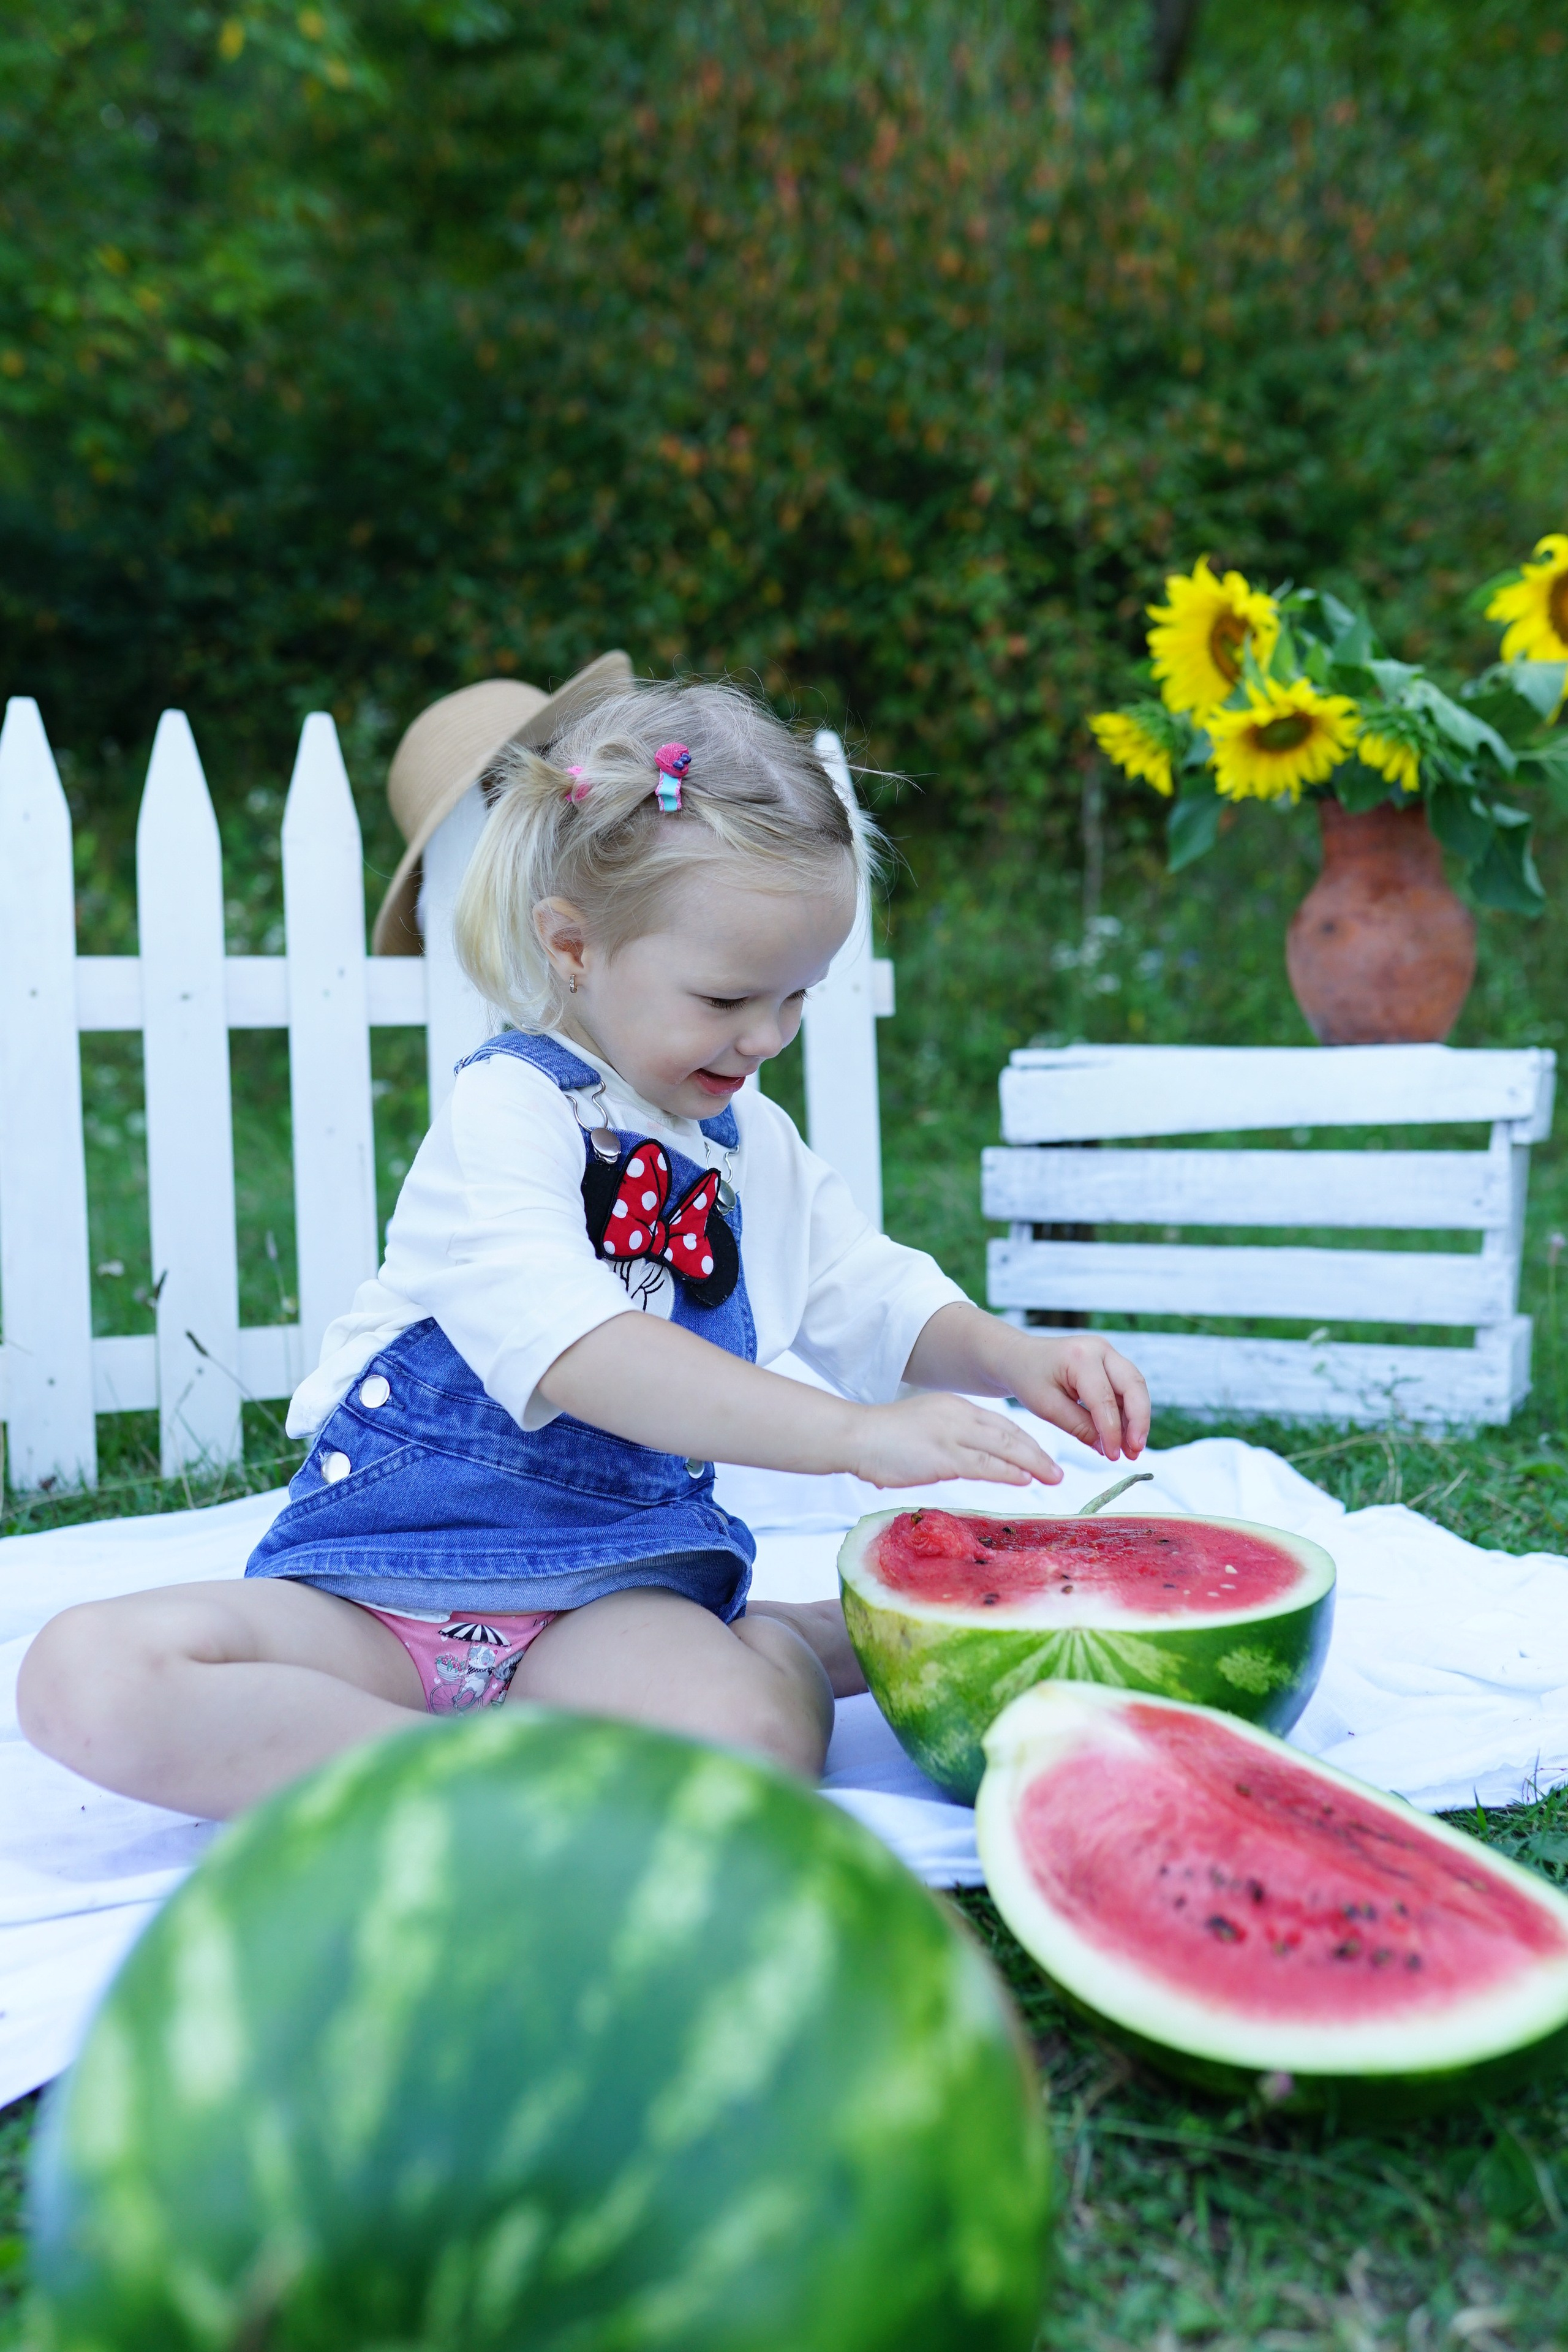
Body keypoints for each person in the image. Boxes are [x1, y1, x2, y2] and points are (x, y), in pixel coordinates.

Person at [20, 678, 1148, 1818]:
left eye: (797, 999)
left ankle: (775, 1650)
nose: (766, 1037)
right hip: (382, 1589)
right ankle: (482, 1781)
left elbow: (868, 1291)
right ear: (574, 947)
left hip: (613, 1601)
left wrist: (1010, 1357)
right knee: (84, 1677)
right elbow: (578, 1350)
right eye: (725, 998)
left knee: (753, 1738)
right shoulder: (509, 1112)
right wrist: (852, 1437)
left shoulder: (745, 1138)